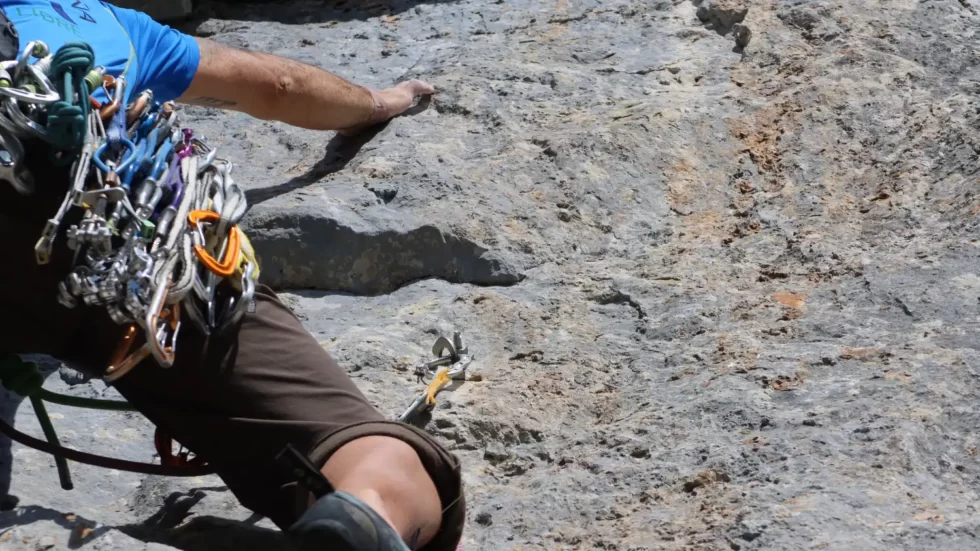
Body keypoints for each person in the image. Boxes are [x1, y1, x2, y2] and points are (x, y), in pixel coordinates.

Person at [0, 2, 463, 551]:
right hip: (119, 242)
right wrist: (379, 102)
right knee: (358, 450)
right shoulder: (89, 21)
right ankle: (363, 515)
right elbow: (279, 86)